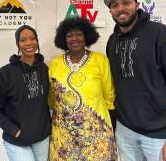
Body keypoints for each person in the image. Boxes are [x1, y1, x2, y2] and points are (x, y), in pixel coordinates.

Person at [104, 0, 166, 161]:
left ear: (137, 5)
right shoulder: (112, 41)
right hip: (125, 131)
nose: (120, 8)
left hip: (161, 135)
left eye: (126, 2)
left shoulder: (162, 35)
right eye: (114, 5)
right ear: (111, 11)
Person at [48, 17, 117, 161]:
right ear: (63, 39)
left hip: (96, 135)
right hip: (64, 135)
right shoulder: (55, 64)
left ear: (86, 36)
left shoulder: (100, 60)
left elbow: (109, 96)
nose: (74, 38)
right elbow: (51, 99)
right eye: (69, 35)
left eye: (79, 34)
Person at [0, 25, 51, 161]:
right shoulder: (6, 73)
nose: (28, 43)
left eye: (32, 38)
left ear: (37, 42)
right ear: (17, 44)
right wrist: (14, 131)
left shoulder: (44, 69)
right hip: (17, 141)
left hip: (42, 138)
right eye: (23, 40)